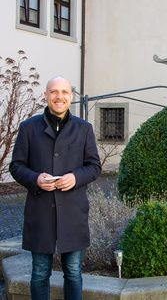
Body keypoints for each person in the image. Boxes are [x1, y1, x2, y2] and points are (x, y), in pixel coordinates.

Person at [9, 77, 102, 300]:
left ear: (71, 97)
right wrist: (35, 179)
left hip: (73, 213)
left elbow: (94, 166)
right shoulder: (28, 128)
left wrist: (75, 177)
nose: (58, 96)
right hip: (40, 211)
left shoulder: (84, 129)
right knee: (40, 273)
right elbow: (16, 166)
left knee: (73, 273)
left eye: (63, 92)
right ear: (46, 96)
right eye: (53, 92)